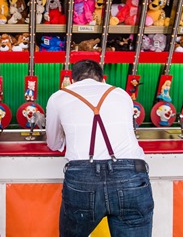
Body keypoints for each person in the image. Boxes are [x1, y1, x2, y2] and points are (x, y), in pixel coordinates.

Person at [46, 59, 154, 237]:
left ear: (72, 80)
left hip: (83, 175)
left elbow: (54, 143)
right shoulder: (121, 94)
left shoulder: (58, 97)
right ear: (102, 79)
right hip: (130, 174)